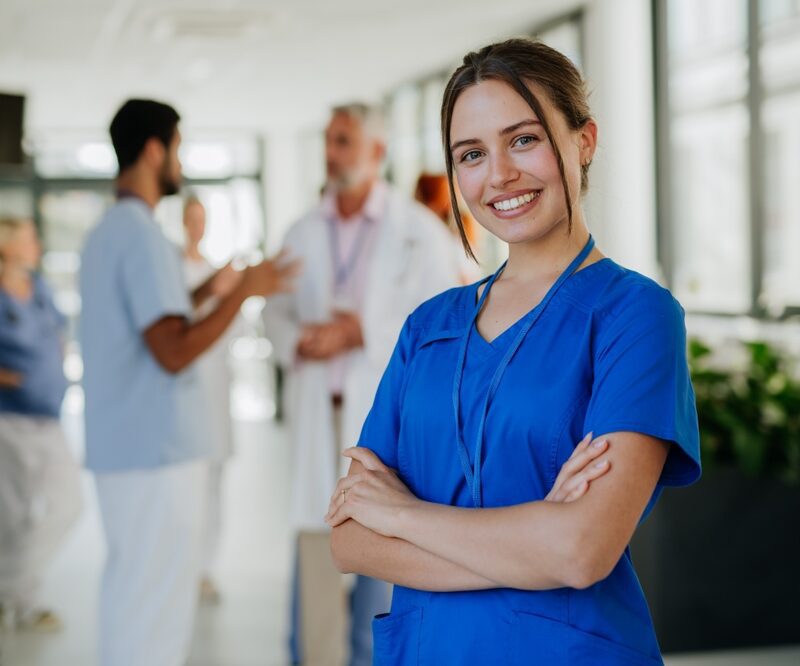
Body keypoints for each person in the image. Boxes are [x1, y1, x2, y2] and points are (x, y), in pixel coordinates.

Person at [327, 39, 701, 665]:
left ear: (584, 141)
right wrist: (536, 538)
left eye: (523, 139)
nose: (499, 174)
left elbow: (583, 550)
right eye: (471, 154)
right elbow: (351, 540)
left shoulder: (635, 316)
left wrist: (401, 514)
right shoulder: (428, 328)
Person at [80, 99, 297, 666]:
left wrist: (210, 293)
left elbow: (151, 323)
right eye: (177, 148)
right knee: (156, 609)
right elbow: (173, 350)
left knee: (131, 596)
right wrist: (247, 290)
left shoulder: (109, 230)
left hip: (124, 450)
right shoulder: (143, 236)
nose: (180, 161)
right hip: (156, 455)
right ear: (155, 150)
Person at [262, 103, 459, 666]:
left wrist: (359, 331)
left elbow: (441, 321)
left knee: (381, 564)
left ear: (376, 152)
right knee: (315, 557)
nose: (331, 152)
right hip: (317, 412)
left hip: (381, 422)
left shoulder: (418, 233)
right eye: (329, 140)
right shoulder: (300, 231)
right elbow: (274, 313)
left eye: (343, 141)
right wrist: (298, 340)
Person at [0, 217, 82, 633]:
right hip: (9, 420)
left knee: (68, 503)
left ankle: (10, 589)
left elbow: (58, 331)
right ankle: (22, 602)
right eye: (30, 237)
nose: (37, 243)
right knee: (14, 517)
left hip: (49, 416)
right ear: (8, 245)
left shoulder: (40, 289)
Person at [182, 195, 240, 604]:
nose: (196, 227)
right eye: (191, 219)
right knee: (187, 482)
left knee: (214, 481)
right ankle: (183, 565)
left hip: (216, 387)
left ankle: (204, 567)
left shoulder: (217, 273)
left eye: (202, 219)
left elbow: (230, 329)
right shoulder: (174, 271)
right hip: (185, 390)